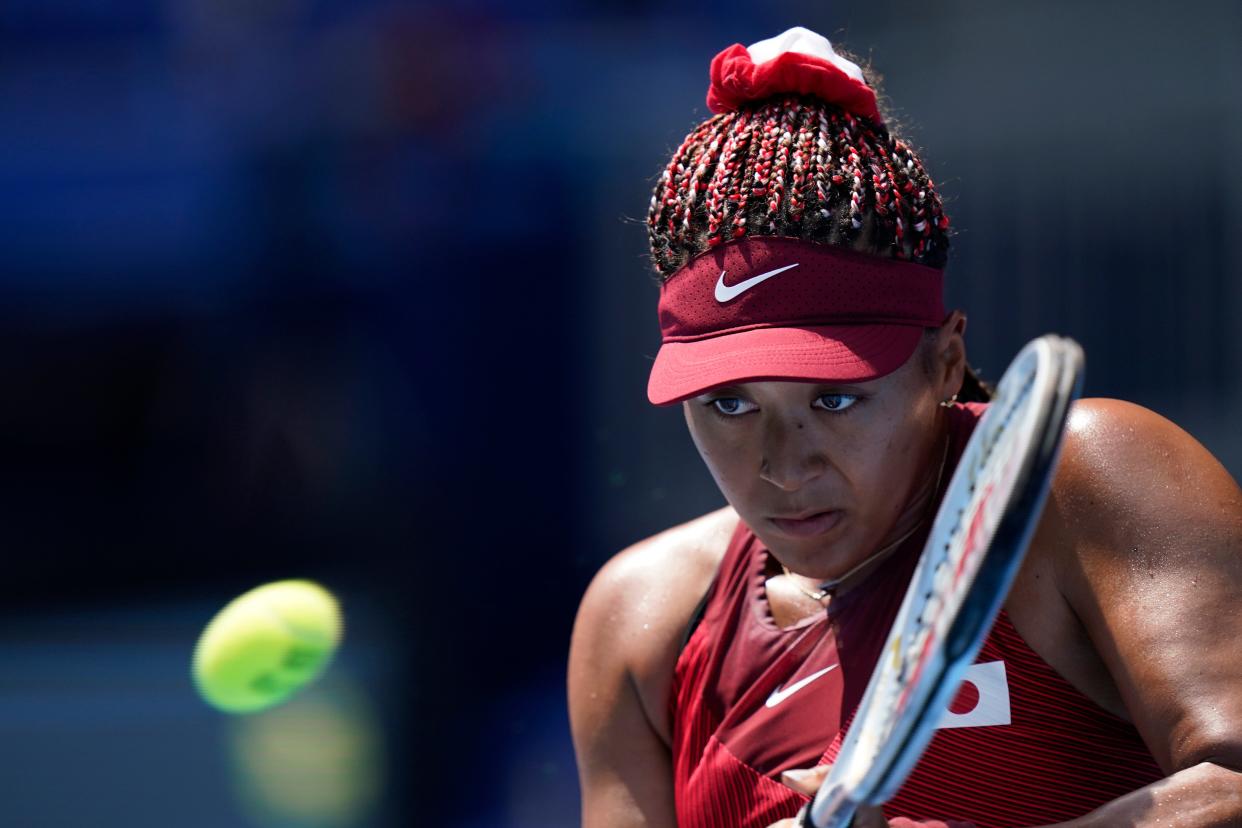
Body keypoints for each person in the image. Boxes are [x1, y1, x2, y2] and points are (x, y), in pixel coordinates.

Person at [567, 26, 1242, 828]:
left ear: (945, 364)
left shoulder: (1087, 477)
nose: (781, 467)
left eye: (835, 398)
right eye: (730, 405)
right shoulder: (641, 620)